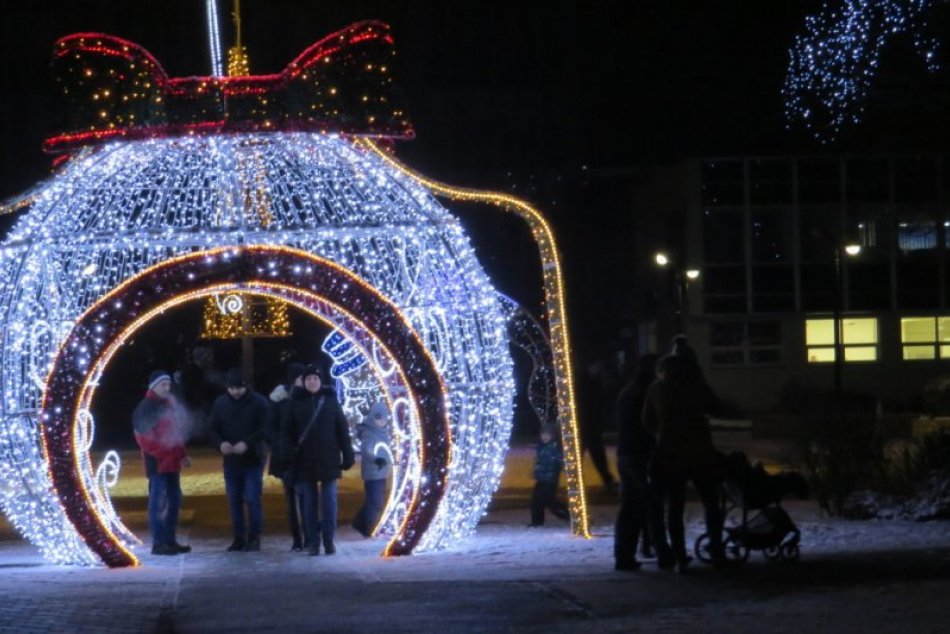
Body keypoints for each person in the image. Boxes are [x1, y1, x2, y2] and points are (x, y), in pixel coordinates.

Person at [643, 353, 725, 573]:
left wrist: (661, 434)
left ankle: (680, 556)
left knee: (675, 507)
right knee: (711, 502)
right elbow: (717, 407)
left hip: (671, 454)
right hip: (700, 452)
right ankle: (717, 550)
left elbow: (647, 421)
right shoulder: (695, 386)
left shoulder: (656, 389)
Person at [279, 364, 354, 556]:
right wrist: (287, 455)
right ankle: (314, 541)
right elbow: (287, 433)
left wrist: (348, 453)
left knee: (329, 503)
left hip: (328, 458)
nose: (312, 382)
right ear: (303, 382)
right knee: (309, 505)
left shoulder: (330, 401)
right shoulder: (294, 402)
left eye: (316, 379)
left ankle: (328, 539)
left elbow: (342, 429)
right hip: (304, 461)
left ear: (321, 381)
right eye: (309, 379)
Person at [613, 353, 664, 571]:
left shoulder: (627, 391)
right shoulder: (649, 392)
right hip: (642, 454)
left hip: (625, 453)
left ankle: (624, 555)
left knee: (630, 507)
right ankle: (662, 552)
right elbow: (650, 424)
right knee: (651, 505)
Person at [132, 370, 192, 556]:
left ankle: (169, 540)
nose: (167, 388)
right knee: (157, 503)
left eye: (168, 384)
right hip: (157, 464)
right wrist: (164, 453)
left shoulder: (168, 405)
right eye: (163, 385)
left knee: (174, 501)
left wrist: (182, 454)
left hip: (171, 462)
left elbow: (175, 433)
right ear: (154, 387)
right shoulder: (145, 408)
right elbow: (143, 438)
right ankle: (159, 543)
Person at [209, 367, 269, 552]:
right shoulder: (220, 403)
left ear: (246, 386)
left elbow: (266, 428)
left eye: (239, 388)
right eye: (232, 388)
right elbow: (212, 428)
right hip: (231, 461)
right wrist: (220, 444)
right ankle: (239, 537)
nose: (235, 392)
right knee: (234, 500)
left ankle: (254, 537)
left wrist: (248, 443)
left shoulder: (259, 402)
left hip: (253, 459)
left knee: (252, 498)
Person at [267, 361, 308, 551]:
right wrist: (281, 446)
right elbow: (271, 428)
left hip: (304, 456)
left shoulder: (307, 397)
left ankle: (307, 536)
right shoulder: (279, 400)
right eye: (302, 378)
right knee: (292, 499)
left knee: (305, 497)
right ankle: (298, 538)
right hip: (286, 456)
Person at [351, 401, 393, 537]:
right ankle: (368, 528)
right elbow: (367, 449)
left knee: (374, 501)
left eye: (384, 417)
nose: (382, 421)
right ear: (372, 417)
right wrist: (376, 459)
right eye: (378, 417)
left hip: (380, 472)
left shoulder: (381, 432)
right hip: (373, 473)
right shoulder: (369, 433)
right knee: (375, 503)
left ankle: (359, 523)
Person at [577, 358, 618, 493]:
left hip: (589, 423)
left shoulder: (591, 382)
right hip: (586, 423)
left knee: (594, 454)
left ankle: (606, 479)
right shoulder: (587, 383)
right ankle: (606, 479)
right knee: (592, 453)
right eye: (597, 367)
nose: (599, 370)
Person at [528, 425, 570, 527]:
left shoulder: (555, 448)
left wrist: (566, 469)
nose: (544, 436)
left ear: (552, 436)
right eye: (542, 434)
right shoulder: (542, 446)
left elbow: (561, 460)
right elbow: (539, 461)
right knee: (536, 500)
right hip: (541, 479)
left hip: (550, 480)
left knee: (549, 501)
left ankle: (566, 515)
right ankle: (537, 521)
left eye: (547, 434)